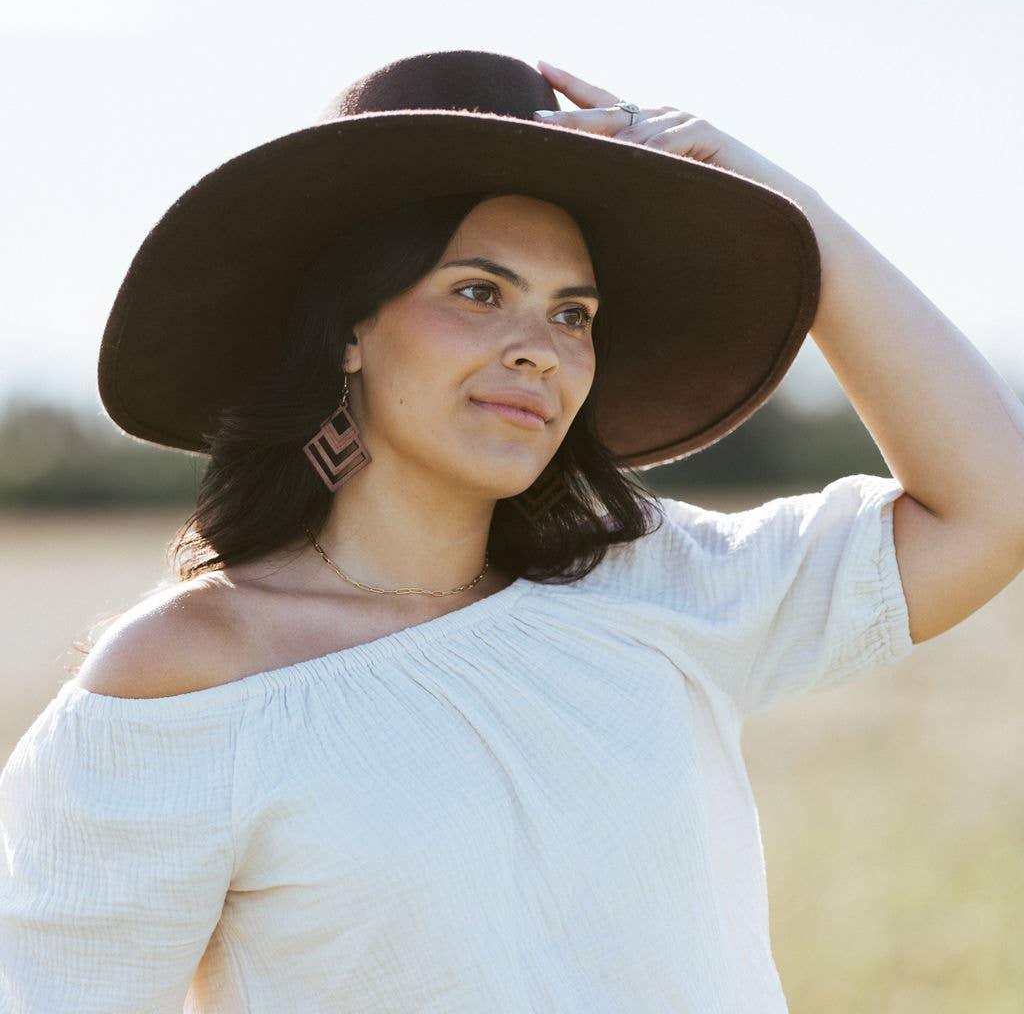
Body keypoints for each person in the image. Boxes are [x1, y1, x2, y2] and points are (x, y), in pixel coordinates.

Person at [2, 49, 1022, 1014]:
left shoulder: (656, 583)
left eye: (572, 314)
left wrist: (786, 207)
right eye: (479, 292)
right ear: (350, 328)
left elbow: (989, 507)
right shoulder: (192, 675)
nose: (538, 349)